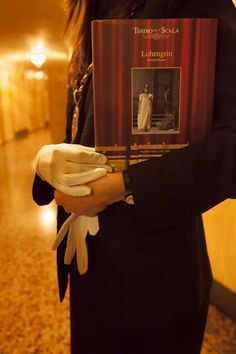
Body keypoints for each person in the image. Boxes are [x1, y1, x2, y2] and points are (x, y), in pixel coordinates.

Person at [32, 0, 236, 353]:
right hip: (91, 270)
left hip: (157, 284)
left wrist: (124, 186)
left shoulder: (192, 3)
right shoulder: (95, 13)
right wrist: (45, 164)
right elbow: (87, 130)